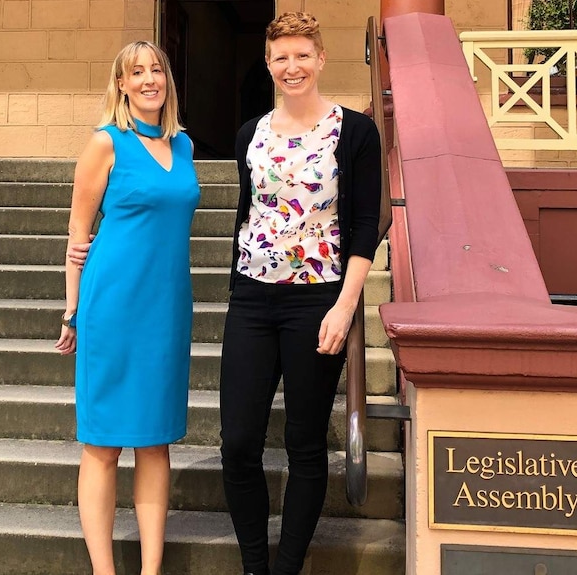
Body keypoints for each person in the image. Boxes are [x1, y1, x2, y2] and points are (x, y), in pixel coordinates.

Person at [219, 12, 381, 575]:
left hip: (318, 301)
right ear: (268, 63)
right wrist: (238, 287)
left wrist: (345, 305)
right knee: (238, 442)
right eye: (281, 57)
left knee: (305, 443)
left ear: (320, 58)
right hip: (252, 300)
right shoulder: (251, 134)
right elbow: (248, 216)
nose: (293, 67)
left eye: (302, 55)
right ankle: (254, 565)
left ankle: (287, 567)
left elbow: (365, 226)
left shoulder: (355, 132)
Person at [54, 40, 200, 575]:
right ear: (121, 84)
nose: (148, 80)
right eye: (136, 72)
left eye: (156, 69)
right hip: (112, 303)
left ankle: (151, 569)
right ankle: (103, 570)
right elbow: (78, 231)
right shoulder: (105, 143)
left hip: (166, 308)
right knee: (103, 444)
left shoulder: (183, 145)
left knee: (156, 440)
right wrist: (72, 309)